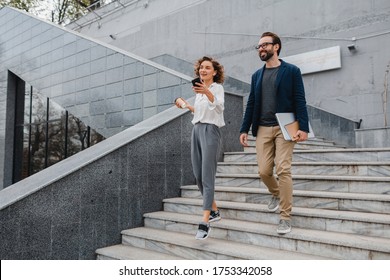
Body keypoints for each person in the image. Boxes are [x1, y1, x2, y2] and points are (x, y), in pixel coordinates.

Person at [239, 32, 309, 234]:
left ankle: (285, 216)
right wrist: (244, 128)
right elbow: (251, 103)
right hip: (262, 127)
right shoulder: (256, 75)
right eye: (259, 46)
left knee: (283, 169)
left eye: (264, 45)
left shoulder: (291, 71)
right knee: (263, 171)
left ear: (276, 47)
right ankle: (277, 193)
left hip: (284, 126)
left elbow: (299, 99)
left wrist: (303, 127)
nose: (261, 49)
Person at [175, 56, 225, 240]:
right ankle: (214, 210)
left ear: (214, 72)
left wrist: (208, 92)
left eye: (207, 68)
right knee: (197, 175)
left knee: (207, 176)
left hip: (211, 131)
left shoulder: (217, 88)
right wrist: (188, 106)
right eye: (201, 68)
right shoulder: (199, 92)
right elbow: (201, 112)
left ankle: (205, 221)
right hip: (196, 130)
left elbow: (218, 108)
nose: (203, 70)